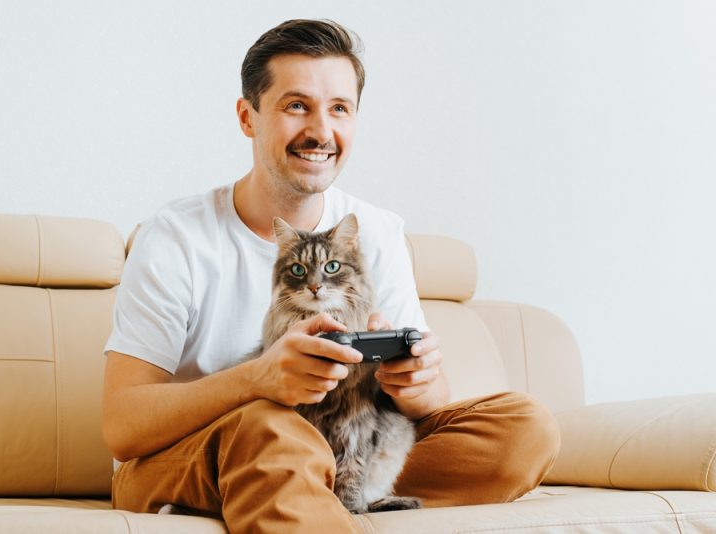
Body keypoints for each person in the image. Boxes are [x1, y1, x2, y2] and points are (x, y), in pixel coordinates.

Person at [102, 19, 560, 533]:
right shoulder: (176, 236)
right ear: (247, 117)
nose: (321, 131)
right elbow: (123, 426)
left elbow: (426, 402)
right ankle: (281, 480)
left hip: (345, 453)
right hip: (202, 454)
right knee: (270, 428)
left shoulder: (377, 232)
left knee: (523, 428)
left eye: (339, 108)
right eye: (296, 105)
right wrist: (259, 378)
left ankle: (297, 493)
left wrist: (418, 385)